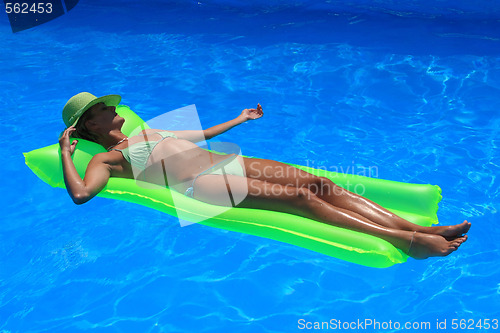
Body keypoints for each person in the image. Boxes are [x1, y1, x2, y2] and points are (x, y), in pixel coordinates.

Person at [59, 92, 470, 259]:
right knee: (303, 200)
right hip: (201, 184)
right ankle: (409, 241)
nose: (114, 109)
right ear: (90, 126)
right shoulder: (108, 159)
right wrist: (65, 153)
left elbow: (199, 135)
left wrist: (239, 119)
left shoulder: (147, 129)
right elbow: (80, 196)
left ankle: (418, 225)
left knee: (319, 183)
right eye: (103, 109)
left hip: (225, 161)